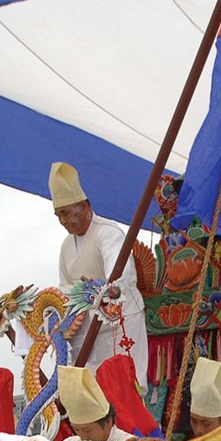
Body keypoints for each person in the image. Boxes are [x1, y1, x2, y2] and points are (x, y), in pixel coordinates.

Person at [49, 162, 148, 388]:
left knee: (122, 391)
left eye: (65, 213)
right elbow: (65, 289)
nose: (63, 221)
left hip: (119, 325)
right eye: (58, 216)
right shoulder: (66, 246)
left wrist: (99, 287)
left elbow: (119, 279)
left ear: (83, 206)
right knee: (89, 398)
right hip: (84, 332)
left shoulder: (107, 233)